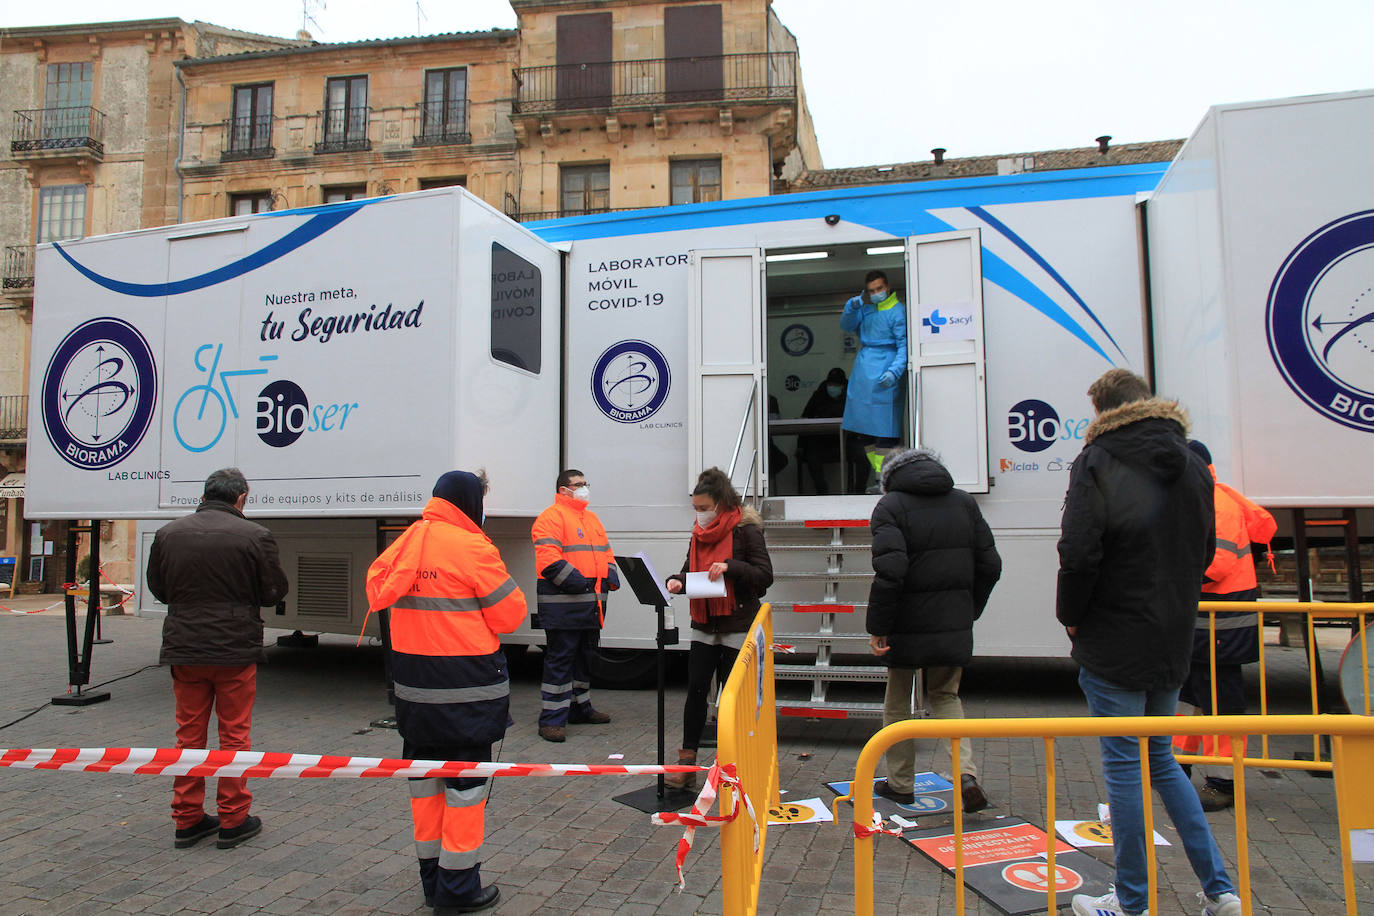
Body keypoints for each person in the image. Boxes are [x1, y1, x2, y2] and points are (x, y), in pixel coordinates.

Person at [1057, 369, 1243, 916]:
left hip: (1113, 631)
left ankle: (1132, 901)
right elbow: (1205, 550)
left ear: (1103, 410)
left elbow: (1080, 551)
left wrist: (1071, 615)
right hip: (1172, 632)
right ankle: (1220, 891)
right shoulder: (1192, 463)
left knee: (1123, 767)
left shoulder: (1097, 460)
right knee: (1160, 758)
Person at [366, 470, 526, 915]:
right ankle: (458, 891)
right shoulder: (473, 547)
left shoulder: (404, 543)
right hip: (466, 696)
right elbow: (511, 614)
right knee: (465, 793)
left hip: (415, 696)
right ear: (471, 503)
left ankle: (432, 882)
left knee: (425, 789)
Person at [146, 467, 288, 851]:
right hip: (234, 648)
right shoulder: (255, 535)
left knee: (188, 736)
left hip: (185, 648)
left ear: (206, 493)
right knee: (235, 735)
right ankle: (233, 817)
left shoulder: (168, 534)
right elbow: (273, 590)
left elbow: (158, 588)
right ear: (240, 498)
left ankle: (187, 819)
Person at [865, 448, 1001, 812]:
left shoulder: (889, 506)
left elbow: (890, 571)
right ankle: (965, 775)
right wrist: (968, 609)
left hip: (906, 624)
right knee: (945, 696)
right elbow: (991, 564)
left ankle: (900, 783)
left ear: (890, 478)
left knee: (897, 705)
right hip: (952, 620)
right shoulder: (963, 502)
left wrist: (878, 626)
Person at [1174, 440, 1276, 812]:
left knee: (1220, 704)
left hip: (1223, 627)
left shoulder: (1218, 504)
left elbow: (1214, 565)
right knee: (1189, 698)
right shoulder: (1203, 500)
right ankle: (1175, 768)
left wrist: (1166, 575)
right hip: (1207, 625)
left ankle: (1223, 782)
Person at [662, 467, 773, 790]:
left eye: (704, 508)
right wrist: (677, 581)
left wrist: (730, 568)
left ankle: (733, 765)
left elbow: (764, 576)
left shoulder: (746, 530)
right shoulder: (698, 534)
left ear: (721, 504)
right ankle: (687, 762)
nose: (700, 515)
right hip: (704, 624)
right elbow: (688, 571)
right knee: (696, 691)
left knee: (733, 698)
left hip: (737, 623)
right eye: (696, 509)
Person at [531, 468, 619, 743]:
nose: (584, 488)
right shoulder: (550, 518)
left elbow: (606, 551)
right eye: (578, 484)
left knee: (584, 658)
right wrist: (581, 584)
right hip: (564, 606)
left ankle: (581, 708)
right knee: (560, 661)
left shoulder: (591, 519)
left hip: (590, 605)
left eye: (585, 483)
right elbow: (548, 560)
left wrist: (611, 574)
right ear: (563, 491)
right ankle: (551, 720)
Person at [840, 270, 908, 491]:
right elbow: (847, 325)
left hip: (885, 370)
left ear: (887, 287)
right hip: (863, 371)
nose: (876, 293)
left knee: (885, 428)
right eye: (872, 291)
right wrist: (851, 307)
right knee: (864, 429)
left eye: (879, 289)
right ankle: (880, 476)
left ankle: (883, 478)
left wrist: (895, 371)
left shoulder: (898, 312)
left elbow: (904, 345)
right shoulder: (866, 310)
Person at [798, 367, 861, 494]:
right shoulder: (819, 396)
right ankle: (822, 492)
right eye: (830, 384)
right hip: (822, 443)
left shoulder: (851, 396)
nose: (833, 387)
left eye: (836, 385)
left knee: (862, 456)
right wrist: (801, 445)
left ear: (843, 386)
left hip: (847, 441)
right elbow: (805, 419)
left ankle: (860, 491)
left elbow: (859, 420)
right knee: (811, 457)